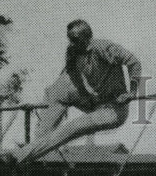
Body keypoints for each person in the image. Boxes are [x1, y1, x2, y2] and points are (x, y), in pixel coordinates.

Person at [10, 20, 141, 164]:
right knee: (56, 90)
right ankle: (39, 141)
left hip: (114, 109)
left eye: (75, 40)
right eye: (70, 39)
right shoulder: (72, 51)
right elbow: (70, 74)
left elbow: (133, 62)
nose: (72, 43)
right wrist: (82, 94)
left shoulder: (103, 47)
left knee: (75, 126)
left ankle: (19, 156)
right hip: (94, 101)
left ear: (87, 37)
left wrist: (132, 92)